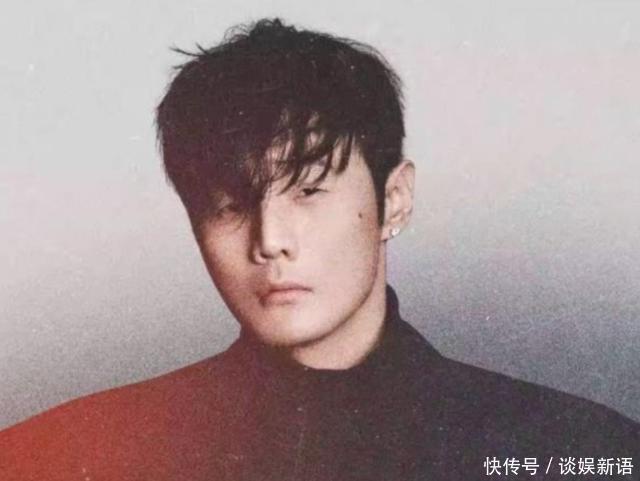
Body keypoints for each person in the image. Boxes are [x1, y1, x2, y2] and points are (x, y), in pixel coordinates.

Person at [1, 18, 638, 481]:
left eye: (308, 191)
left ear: (395, 200)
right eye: (229, 205)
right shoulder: (55, 456)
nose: (270, 241)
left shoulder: (577, 450)